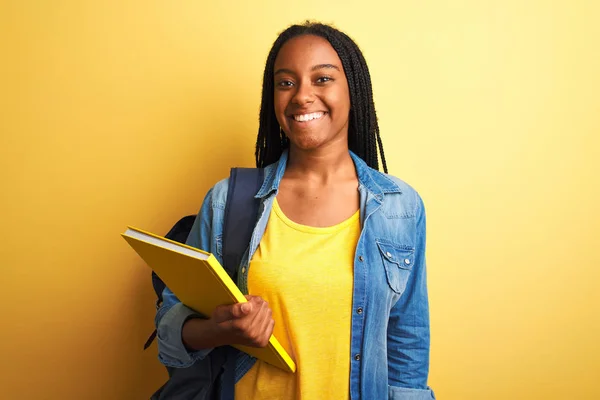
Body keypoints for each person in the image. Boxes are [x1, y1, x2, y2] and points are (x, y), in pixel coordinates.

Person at [155, 21, 436, 400]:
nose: (302, 96)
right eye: (286, 83)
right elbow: (170, 330)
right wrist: (220, 331)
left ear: (354, 90)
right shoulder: (227, 201)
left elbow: (407, 346)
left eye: (322, 79)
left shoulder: (400, 208)